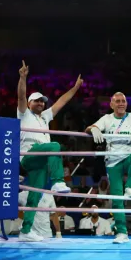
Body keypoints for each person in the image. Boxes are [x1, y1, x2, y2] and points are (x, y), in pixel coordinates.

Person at [17, 60, 82, 242]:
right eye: (37, 101)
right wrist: (22, 78)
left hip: (42, 160)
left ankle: (26, 231)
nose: (40, 104)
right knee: (55, 145)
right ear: (30, 103)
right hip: (29, 154)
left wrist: (76, 88)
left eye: (42, 102)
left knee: (35, 195)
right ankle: (58, 181)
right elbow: (21, 97)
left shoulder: (45, 117)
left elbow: (62, 101)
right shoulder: (23, 113)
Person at [85, 92, 131, 244]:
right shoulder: (106, 119)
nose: (121, 103)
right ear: (111, 104)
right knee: (117, 198)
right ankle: (122, 233)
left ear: (127, 104)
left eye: (123, 101)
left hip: (129, 156)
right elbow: (89, 128)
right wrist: (94, 129)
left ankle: (130, 186)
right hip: (113, 161)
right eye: (117, 101)